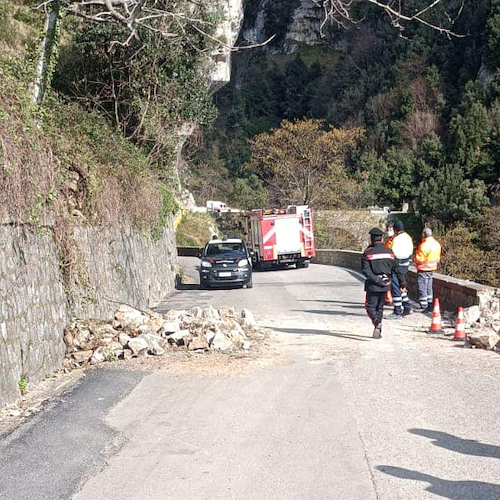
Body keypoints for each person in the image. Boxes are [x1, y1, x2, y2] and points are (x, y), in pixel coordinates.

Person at [362, 227, 406, 339]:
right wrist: (402, 283)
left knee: (370, 307)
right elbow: (397, 269)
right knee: (379, 308)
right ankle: (378, 330)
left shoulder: (368, 253)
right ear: (381, 238)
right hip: (386, 284)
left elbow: (366, 270)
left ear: (371, 238)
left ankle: (377, 323)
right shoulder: (389, 253)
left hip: (373, 284)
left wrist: (376, 279)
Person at [387, 220, 413, 319]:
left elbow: (391, 252)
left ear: (396, 230)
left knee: (396, 287)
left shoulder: (396, 239)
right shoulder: (408, 237)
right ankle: (407, 307)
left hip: (397, 265)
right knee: (402, 286)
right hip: (405, 265)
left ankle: (397, 311)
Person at [413, 227, 442, 313]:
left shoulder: (423, 245)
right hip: (432, 268)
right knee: (429, 287)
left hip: (423, 268)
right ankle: (430, 304)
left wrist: (413, 258)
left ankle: (423, 305)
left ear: (424, 234)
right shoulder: (437, 244)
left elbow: (419, 259)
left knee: (422, 286)